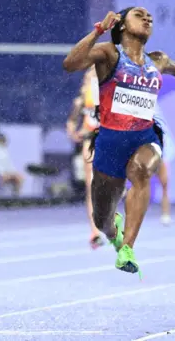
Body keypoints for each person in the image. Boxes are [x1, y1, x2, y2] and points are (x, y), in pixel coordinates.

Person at [63, 7, 175, 275]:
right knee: (103, 221)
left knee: (142, 170)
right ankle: (115, 233)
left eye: (150, 17)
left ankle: (128, 248)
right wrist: (98, 31)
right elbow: (70, 64)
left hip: (145, 135)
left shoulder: (157, 60)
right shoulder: (109, 53)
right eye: (139, 15)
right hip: (110, 141)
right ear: (121, 25)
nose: (148, 19)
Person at [66, 66, 105, 248]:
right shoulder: (81, 100)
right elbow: (71, 121)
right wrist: (74, 132)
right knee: (91, 185)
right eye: (90, 76)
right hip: (90, 141)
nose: (93, 78)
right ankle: (95, 231)